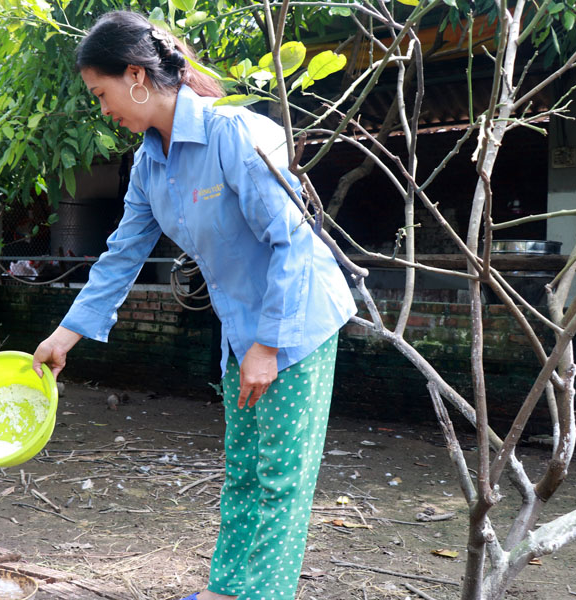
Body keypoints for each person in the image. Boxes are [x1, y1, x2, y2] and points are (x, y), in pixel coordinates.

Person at [31, 10, 357, 600]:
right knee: (243, 471)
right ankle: (227, 589)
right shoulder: (148, 164)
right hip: (240, 328)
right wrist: (65, 335)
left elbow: (293, 240)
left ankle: (260, 596)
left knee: (280, 479)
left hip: (295, 324)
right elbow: (121, 255)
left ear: (135, 75)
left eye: (102, 94)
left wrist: (268, 344)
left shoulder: (232, 133)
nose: (104, 110)